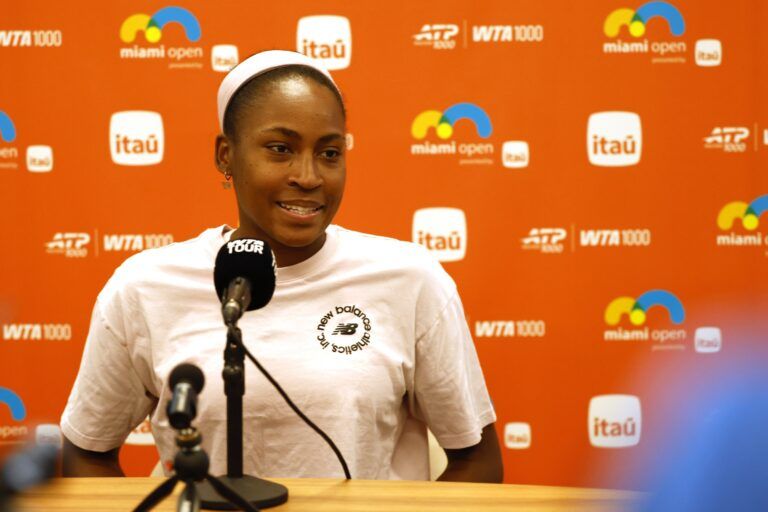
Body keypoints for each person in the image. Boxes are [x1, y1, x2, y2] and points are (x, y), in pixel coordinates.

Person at [60, 50, 502, 482]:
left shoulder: (411, 280)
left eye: (329, 153)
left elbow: (476, 461)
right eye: (280, 149)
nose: (308, 176)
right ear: (225, 155)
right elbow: (86, 454)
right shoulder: (145, 287)